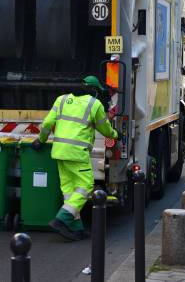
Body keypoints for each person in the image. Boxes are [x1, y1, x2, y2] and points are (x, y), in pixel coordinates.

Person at [32, 75, 119, 241]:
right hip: (77, 153)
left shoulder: (62, 100)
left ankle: (76, 227)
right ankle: (62, 219)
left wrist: (40, 140)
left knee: (69, 189)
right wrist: (116, 134)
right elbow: (106, 129)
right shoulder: (94, 104)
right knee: (86, 186)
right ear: (94, 91)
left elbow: (47, 124)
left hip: (59, 152)